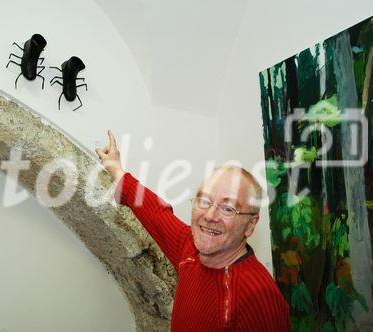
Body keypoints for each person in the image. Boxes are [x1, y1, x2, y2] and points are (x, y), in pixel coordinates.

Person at [96, 130, 290, 331]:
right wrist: (116, 170)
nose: (210, 216)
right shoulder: (189, 249)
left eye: (228, 208)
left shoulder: (258, 296)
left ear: (250, 225)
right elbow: (156, 214)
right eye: (204, 201)